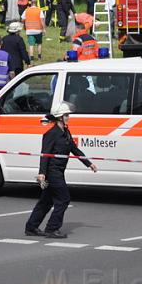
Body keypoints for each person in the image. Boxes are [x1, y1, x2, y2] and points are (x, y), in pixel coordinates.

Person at [25, 102, 97, 239]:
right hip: (53, 172)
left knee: (46, 201)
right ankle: (52, 228)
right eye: (66, 115)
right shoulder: (51, 134)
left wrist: (89, 163)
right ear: (59, 117)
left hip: (59, 171)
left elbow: (74, 149)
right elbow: (45, 154)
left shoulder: (65, 131)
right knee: (64, 199)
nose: (68, 117)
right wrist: (42, 173)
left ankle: (31, 227)